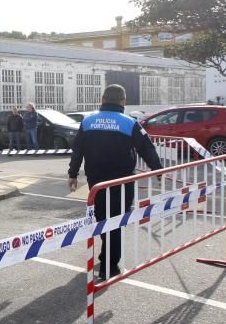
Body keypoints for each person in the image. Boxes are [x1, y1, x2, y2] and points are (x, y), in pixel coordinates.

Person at [68, 84, 162, 280]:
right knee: (116, 222)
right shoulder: (129, 123)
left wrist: (73, 173)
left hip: (96, 182)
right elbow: (147, 148)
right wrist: (158, 169)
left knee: (103, 220)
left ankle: (105, 257)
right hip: (122, 181)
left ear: (102, 100)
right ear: (123, 101)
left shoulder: (88, 122)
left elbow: (78, 150)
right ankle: (109, 267)